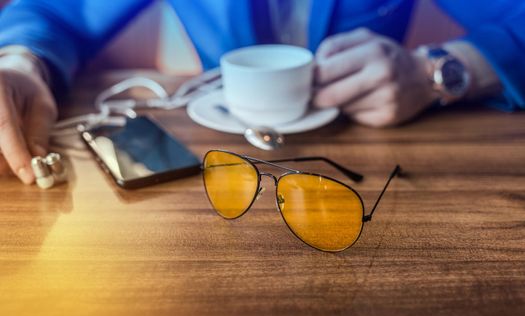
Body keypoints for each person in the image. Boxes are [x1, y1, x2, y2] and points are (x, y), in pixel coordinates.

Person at [0, 0, 523, 185]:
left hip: (375, 162)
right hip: (216, 173)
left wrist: (441, 71)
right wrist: (20, 65)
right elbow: (51, 10)